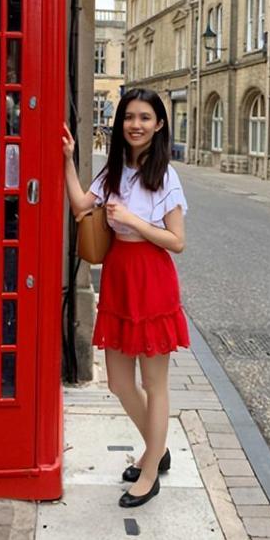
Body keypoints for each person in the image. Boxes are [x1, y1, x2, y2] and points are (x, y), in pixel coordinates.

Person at [62, 88, 189, 508]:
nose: (136, 124)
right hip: (117, 278)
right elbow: (82, 205)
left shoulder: (165, 177)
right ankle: (158, 447)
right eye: (129, 117)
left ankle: (150, 469)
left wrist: (134, 220)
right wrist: (67, 158)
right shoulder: (112, 172)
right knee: (118, 381)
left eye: (145, 118)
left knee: (155, 384)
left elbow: (177, 241)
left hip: (151, 278)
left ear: (159, 125)